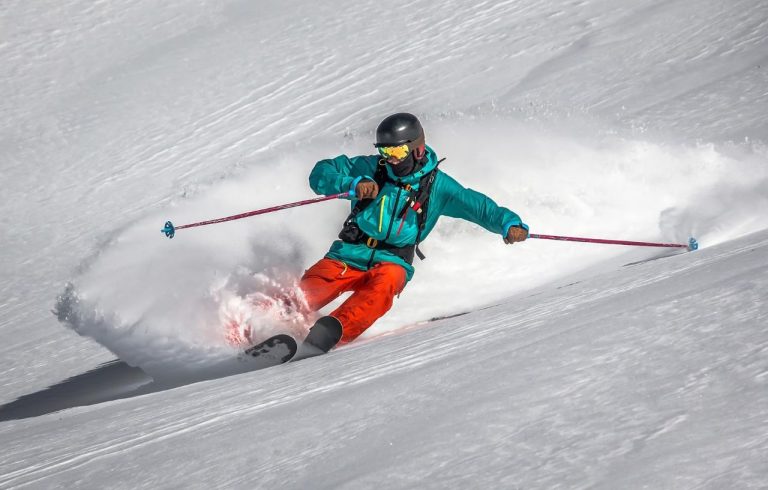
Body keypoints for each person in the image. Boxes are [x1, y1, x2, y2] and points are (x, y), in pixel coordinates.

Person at [299, 113, 528, 353]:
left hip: (393, 261)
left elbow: (479, 207)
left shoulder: (438, 186)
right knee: (305, 295)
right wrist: (351, 183)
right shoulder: (371, 168)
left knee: (382, 287)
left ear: (417, 149)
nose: (391, 161)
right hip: (347, 254)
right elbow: (322, 171)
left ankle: (329, 335)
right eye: (384, 153)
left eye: (396, 153)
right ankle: (265, 323)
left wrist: (509, 223)